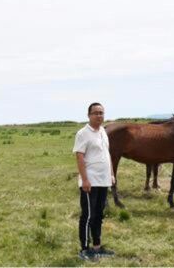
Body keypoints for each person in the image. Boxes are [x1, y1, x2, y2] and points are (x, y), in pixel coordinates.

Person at [73, 102, 115, 260]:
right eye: (96, 113)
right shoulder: (83, 133)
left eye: (101, 113)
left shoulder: (103, 132)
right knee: (88, 215)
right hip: (90, 181)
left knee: (99, 214)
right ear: (89, 115)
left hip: (103, 180)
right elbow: (79, 156)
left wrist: (111, 174)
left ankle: (97, 247)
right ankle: (84, 249)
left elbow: (107, 154)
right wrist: (85, 180)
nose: (99, 116)